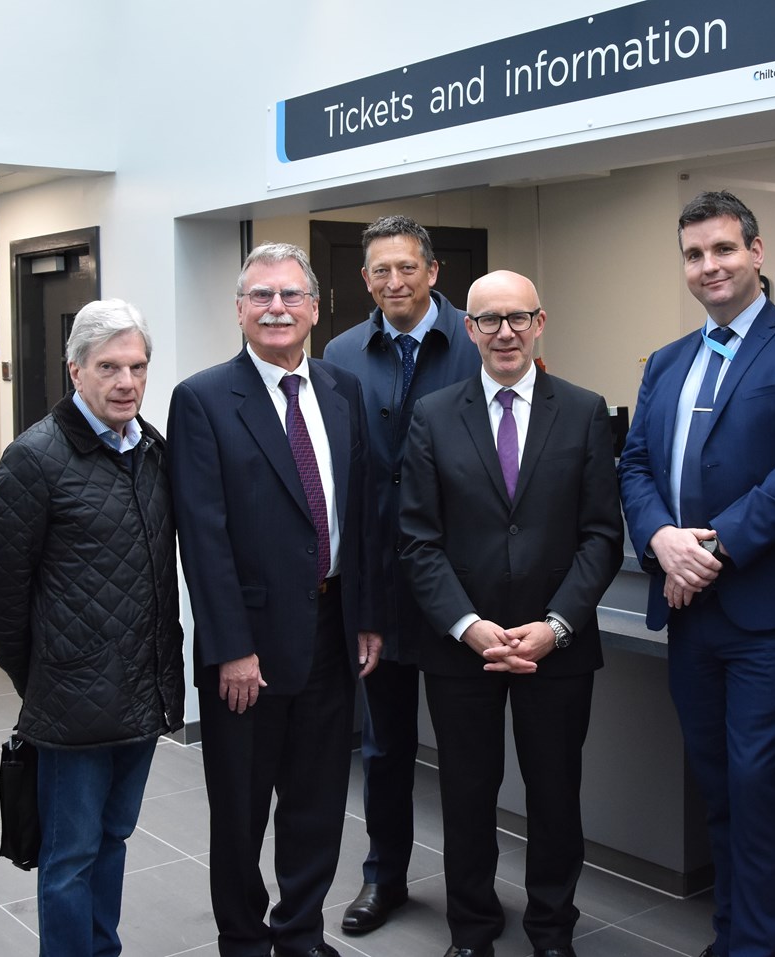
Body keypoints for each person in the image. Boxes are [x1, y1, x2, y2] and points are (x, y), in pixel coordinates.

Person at [618, 191, 775, 957]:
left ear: (757, 251)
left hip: (767, 620)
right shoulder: (667, 360)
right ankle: (733, 936)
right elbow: (635, 467)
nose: (709, 266)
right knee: (717, 785)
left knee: (758, 789)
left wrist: (711, 551)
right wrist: (660, 540)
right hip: (690, 617)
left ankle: (760, 947)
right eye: (694, 254)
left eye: (723, 249)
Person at [398, 270, 623, 957]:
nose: (504, 332)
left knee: (556, 797)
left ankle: (553, 930)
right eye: (489, 319)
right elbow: (417, 537)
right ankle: (472, 929)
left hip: (555, 647)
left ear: (540, 322)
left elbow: (601, 534)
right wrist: (468, 625)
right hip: (462, 648)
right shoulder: (433, 414)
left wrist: (555, 626)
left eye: (518, 317)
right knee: (466, 796)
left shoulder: (584, 411)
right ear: (468, 329)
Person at [168, 243, 381, 957]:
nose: (277, 308)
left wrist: (367, 615)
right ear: (239, 309)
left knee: (318, 800)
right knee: (240, 806)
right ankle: (243, 939)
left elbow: (362, 511)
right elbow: (204, 536)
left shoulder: (342, 391)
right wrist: (229, 645)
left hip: (331, 629)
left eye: (291, 295)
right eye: (260, 296)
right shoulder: (202, 399)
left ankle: (300, 930)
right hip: (247, 647)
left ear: (316, 309)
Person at [0, 299, 184, 957]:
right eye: (109, 367)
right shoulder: (34, 458)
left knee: (115, 836)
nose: (126, 381)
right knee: (70, 854)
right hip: (71, 704)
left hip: (142, 692)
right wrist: (42, 676)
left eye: (138, 366)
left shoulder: (152, 448)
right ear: (76, 371)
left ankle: (103, 949)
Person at [324, 215, 480, 935]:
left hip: (458, 588)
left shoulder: (477, 340)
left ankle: (470, 900)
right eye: (380, 271)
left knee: (467, 755)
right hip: (376, 590)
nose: (394, 282)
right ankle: (384, 879)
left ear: (433, 271)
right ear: (364, 280)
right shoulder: (340, 353)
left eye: (407, 268)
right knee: (382, 750)